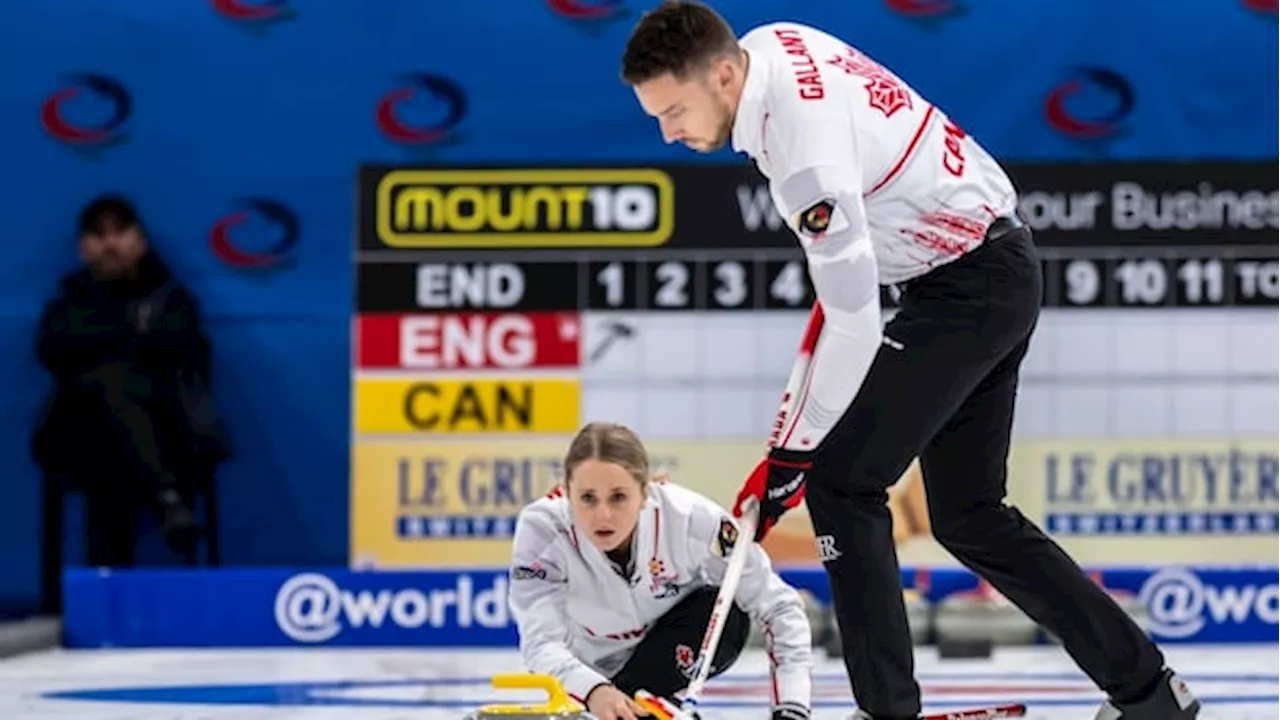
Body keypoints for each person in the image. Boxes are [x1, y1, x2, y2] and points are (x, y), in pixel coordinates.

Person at [619, 4, 1200, 720]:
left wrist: (796, 455)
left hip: (967, 286)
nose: (668, 131)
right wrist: (791, 449)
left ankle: (887, 710)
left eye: (674, 110)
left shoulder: (805, 155)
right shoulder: (773, 43)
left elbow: (855, 321)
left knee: (841, 483)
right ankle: (1150, 695)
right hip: (991, 265)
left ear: (725, 73)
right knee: (970, 515)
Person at [508, 422, 813, 720]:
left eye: (619, 497)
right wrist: (593, 690)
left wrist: (791, 707)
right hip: (590, 671)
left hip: (673, 653)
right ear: (567, 492)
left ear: (645, 493)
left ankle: (658, 700)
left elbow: (779, 607)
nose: (603, 515)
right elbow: (540, 643)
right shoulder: (543, 530)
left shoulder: (692, 520)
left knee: (726, 608)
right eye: (587, 498)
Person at [33, 195, 231, 572]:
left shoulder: (172, 298)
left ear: (140, 242)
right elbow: (51, 349)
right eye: (99, 234)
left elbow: (180, 347)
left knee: (114, 396)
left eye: (120, 232)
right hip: (82, 435)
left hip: (165, 430)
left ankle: (105, 589)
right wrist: (132, 332)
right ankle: (166, 499)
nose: (111, 244)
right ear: (83, 248)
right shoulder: (67, 302)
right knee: (109, 395)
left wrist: (100, 341)